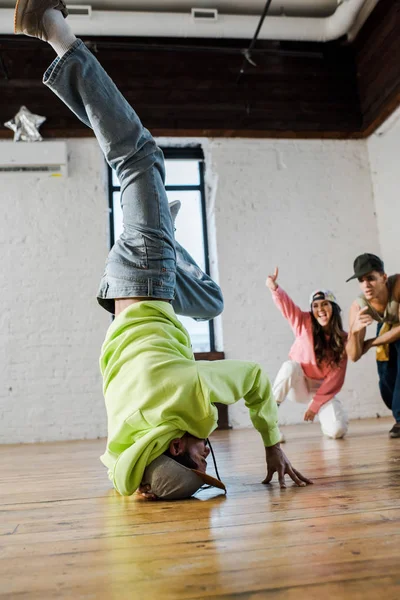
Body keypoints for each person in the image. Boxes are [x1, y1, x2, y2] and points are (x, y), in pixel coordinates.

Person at [14, 0, 312, 499]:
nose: (207, 449)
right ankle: (165, 235)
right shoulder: (123, 446)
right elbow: (131, 479)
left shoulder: (190, 393)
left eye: (200, 457)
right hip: (126, 296)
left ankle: (50, 28)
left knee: (139, 156)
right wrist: (151, 484)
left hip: (144, 279)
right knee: (212, 300)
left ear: (174, 447)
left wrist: (272, 441)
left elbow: (258, 379)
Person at [266, 268, 348, 439]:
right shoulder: (303, 323)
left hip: (323, 390)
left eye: (325, 304)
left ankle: (330, 422)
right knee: (290, 366)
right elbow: (287, 307)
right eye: (316, 306)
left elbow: (335, 378)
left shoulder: (343, 339)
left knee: (337, 431)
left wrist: (315, 406)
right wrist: (275, 288)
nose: (321, 309)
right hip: (300, 384)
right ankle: (269, 420)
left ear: (333, 306)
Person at [346, 253, 400, 438]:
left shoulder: (398, 285)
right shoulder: (359, 306)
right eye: (361, 280)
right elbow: (353, 355)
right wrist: (354, 332)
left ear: (384, 278)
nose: (366, 285)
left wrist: (370, 343)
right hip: (386, 328)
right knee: (386, 376)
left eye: (371, 278)